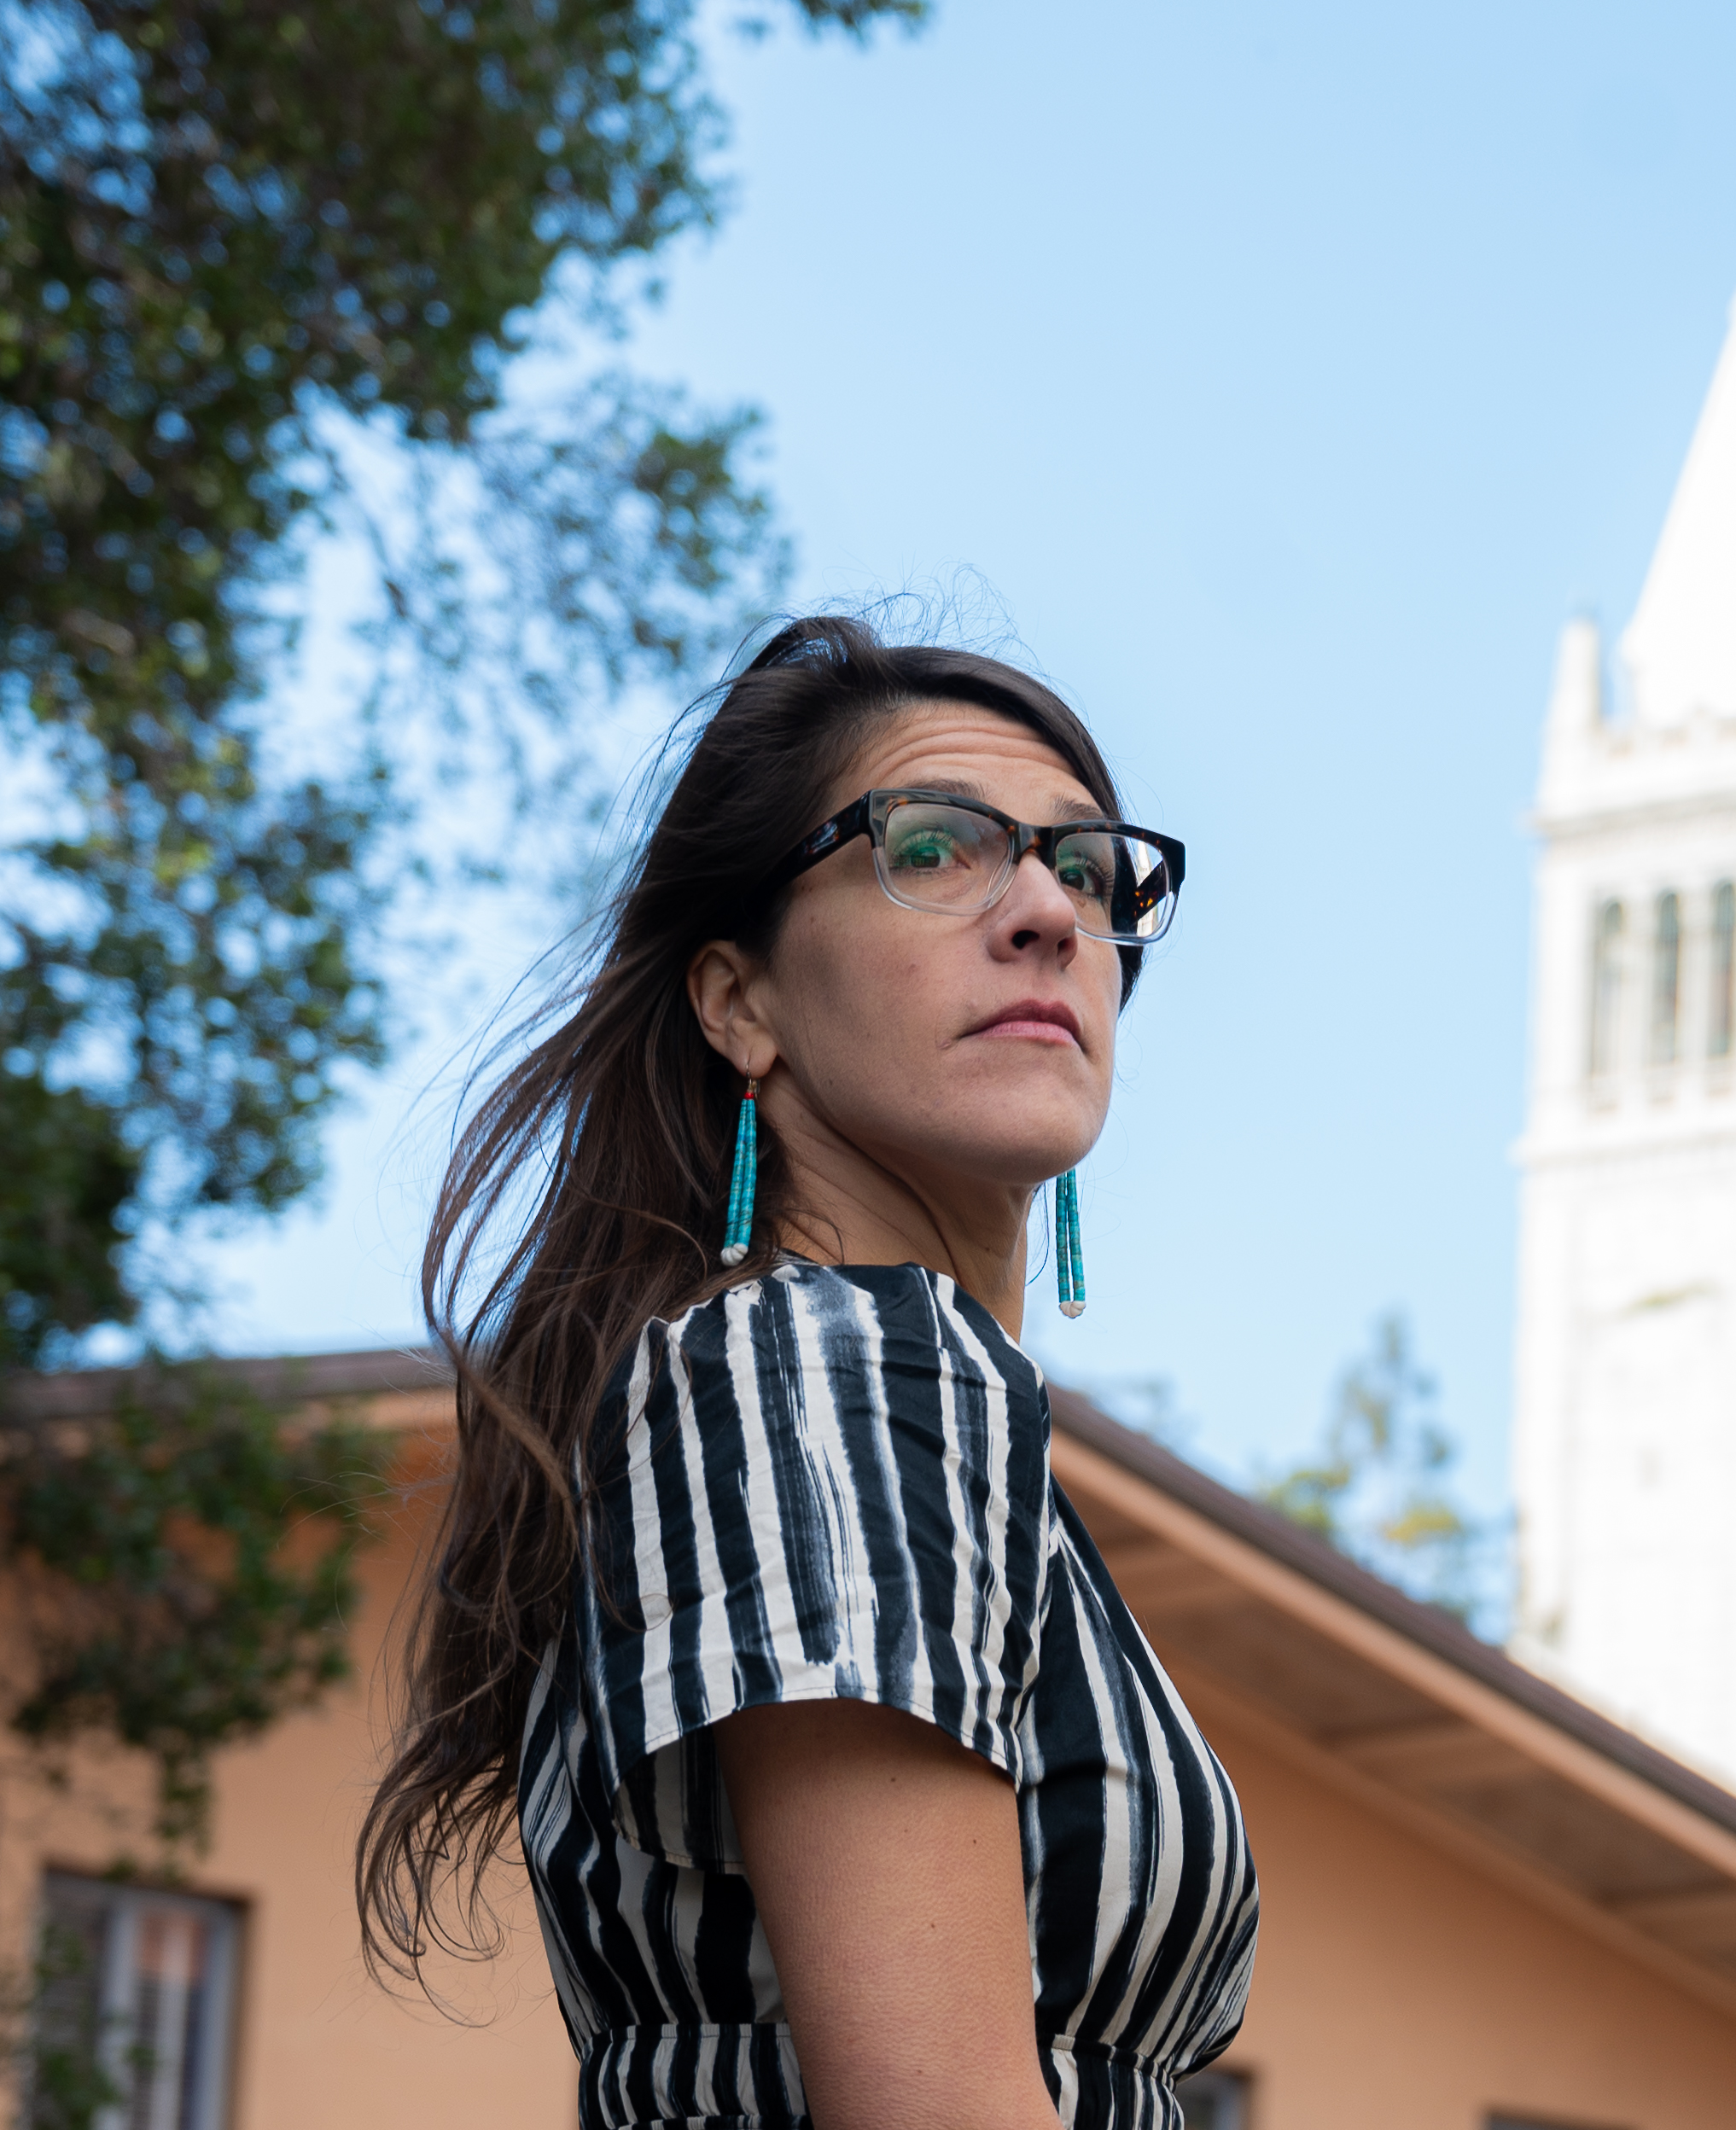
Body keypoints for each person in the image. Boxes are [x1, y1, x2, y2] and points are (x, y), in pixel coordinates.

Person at [359, 616, 1257, 2130]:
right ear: (740, 1001)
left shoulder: (885, 1399)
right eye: (933, 847)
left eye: (1086, 869)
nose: (1047, 909)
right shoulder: (828, 1367)